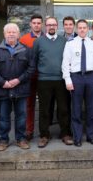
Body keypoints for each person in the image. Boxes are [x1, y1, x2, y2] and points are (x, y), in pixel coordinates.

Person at [0, 23, 35, 151]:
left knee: (21, 116)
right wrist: (3, 82)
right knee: (3, 117)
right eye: (9, 32)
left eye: (14, 32)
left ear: (18, 34)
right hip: (3, 89)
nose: (11, 34)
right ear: (4, 34)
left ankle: (21, 139)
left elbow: (31, 69)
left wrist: (18, 80)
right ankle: (3, 140)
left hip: (21, 89)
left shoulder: (26, 50)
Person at [62, 19, 93, 147]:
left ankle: (91, 136)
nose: (82, 30)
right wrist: (67, 79)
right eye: (79, 28)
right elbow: (65, 63)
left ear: (88, 29)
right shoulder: (70, 44)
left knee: (92, 109)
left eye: (84, 27)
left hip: (91, 77)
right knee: (76, 110)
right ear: (76, 29)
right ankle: (77, 137)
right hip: (76, 78)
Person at [33, 17, 73, 148]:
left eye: (54, 25)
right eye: (49, 25)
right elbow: (34, 60)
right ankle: (44, 135)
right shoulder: (39, 42)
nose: (51, 27)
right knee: (44, 110)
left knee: (63, 108)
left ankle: (65, 134)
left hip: (61, 80)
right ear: (45, 26)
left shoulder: (64, 41)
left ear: (57, 26)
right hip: (44, 80)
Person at [19, 14, 43, 141]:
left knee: (45, 105)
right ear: (30, 24)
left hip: (44, 76)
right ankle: (29, 130)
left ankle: (44, 131)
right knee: (29, 104)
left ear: (42, 24)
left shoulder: (47, 38)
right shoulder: (24, 39)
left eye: (39, 23)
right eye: (34, 23)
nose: (37, 25)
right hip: (29, 77)